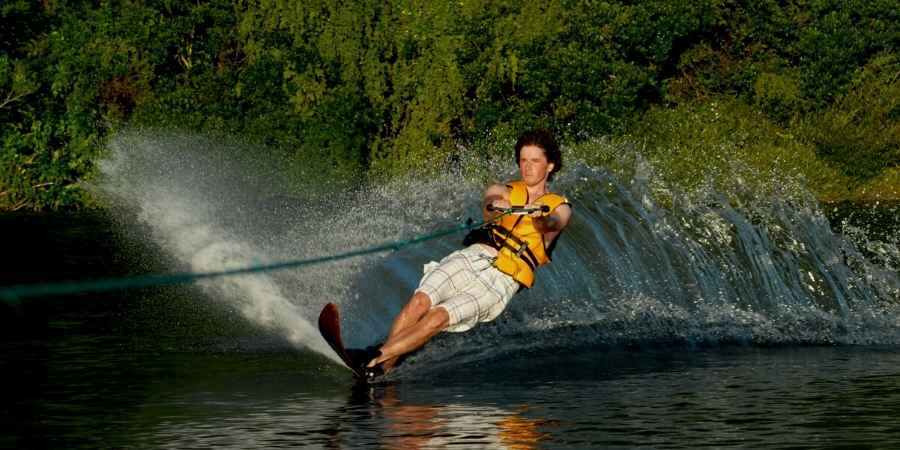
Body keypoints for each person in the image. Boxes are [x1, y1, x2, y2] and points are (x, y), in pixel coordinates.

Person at [362, 129, 573, 377]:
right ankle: (381, 368)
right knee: (420, 302)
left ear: (549, 166)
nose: (527, 167)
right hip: (475, 256)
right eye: (523, 160)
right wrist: (497, 207)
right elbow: (489, 207)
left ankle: (373, 359)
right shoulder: (503, 189)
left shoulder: (560, 206)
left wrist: (539, 218)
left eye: (535, 161)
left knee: (438, 317)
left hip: (502, 280)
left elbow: (554, 223)